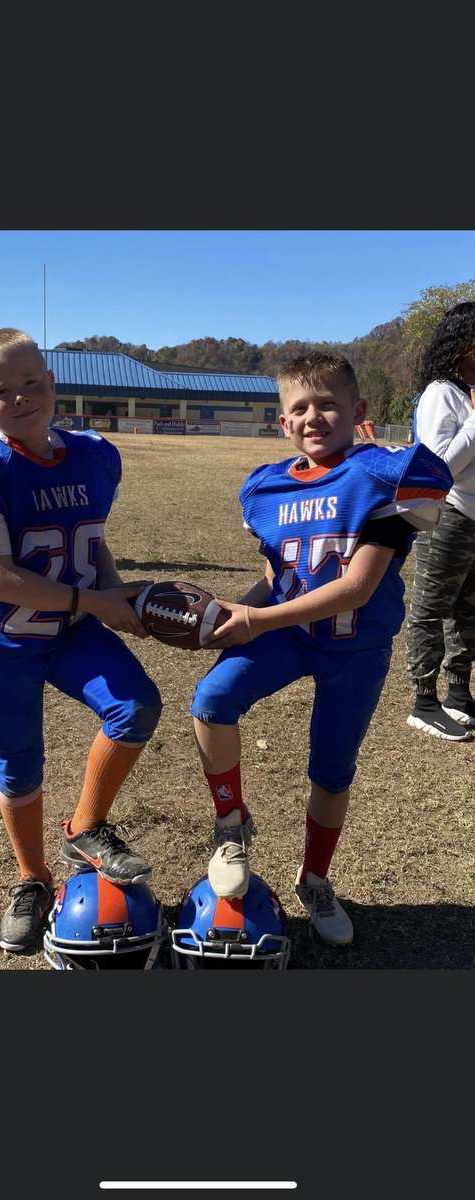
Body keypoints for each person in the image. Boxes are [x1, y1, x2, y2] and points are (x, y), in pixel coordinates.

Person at [190, 351, 452, 946]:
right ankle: (231, 822)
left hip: (354, 647)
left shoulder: (381, 476)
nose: (313, 416)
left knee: (331, 774)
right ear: (283, 422)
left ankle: (315, 877)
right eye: (299, 408)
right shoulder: (267, 486)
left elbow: (355, 588)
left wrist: (257, 617)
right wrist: (230, 614)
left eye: (328, 403)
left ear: (357, 411)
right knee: (211, 700)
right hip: (288, 633)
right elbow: (276, 573)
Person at [0, 328, 162, 953]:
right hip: (0, 641)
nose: (22, 397)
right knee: (20, 763)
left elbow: (91, 538)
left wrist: (114, 593)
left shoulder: (93, 453)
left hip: (71, 630)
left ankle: (85, 827)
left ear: (52, 385)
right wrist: (99, 600)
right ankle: (31, 878)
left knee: (135, 705)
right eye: (2, 390)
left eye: (33, 383)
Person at [406, 301, 475, 740]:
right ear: (463, 340)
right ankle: (423, 702)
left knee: (466, 612)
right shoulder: (440, 393)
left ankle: (460, 697)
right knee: (431, 609)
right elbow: (439, 466)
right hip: (448, 515)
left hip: (473, 519)